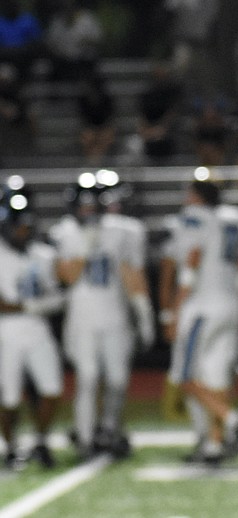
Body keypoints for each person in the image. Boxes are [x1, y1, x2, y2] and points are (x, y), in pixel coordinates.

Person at [50, 170, 155, 460]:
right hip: (82, 320)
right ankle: (84, 436)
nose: (89, 212)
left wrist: (143, 312)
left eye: (92, 206)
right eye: (83, 206)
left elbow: (131, 273)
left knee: (119, 380)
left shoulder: (122, 231)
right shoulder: (65, 233)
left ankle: (108, 429)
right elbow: (67, 277)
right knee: (88, 377)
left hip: (115, 317)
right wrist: (85, 247)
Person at [158, 179, 238, 464]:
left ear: (196, 197)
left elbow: (191, 262)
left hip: (203, 307)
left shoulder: (194, 219)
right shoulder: (234, 220)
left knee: (185, 376)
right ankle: (214, 444)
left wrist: (173, 311)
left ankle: (231, 419)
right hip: (230, 304)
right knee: (215, 377)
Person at [0, 178, 64, 470]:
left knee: (52, 388)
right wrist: (32, 306)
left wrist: (29, 306)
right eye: (18, 227)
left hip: (38, 331)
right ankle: (11, 446)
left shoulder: (44, 254)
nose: (23, 232)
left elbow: (58, 297)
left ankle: (40, 440)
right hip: (7, 333)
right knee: (9, 395)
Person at [44, 0, 103, 82]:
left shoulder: (87, 19)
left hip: (83, 61)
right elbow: (50, 43)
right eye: (64, 6)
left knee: (89, 75)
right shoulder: (56, 21)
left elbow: (97, 39)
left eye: (71, 5)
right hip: (62, 62)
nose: (68, 8)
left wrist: (85, 42)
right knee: (54, 74)